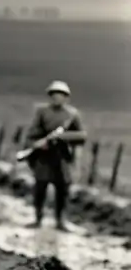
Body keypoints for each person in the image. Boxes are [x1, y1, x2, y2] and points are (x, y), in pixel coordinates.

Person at [22, 81, 87, 231]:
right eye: (54, 95)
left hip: (62, 157)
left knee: (62, 190)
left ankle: (60, 221)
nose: (57, 98)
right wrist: (38, 144)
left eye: (61, 95)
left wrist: (63, 137)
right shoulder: (42, 112)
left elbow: (82, 136)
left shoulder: (72, 115)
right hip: (44, 157)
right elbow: (32, 134)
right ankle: (37, 218)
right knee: (40, 188)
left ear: (66, 98)